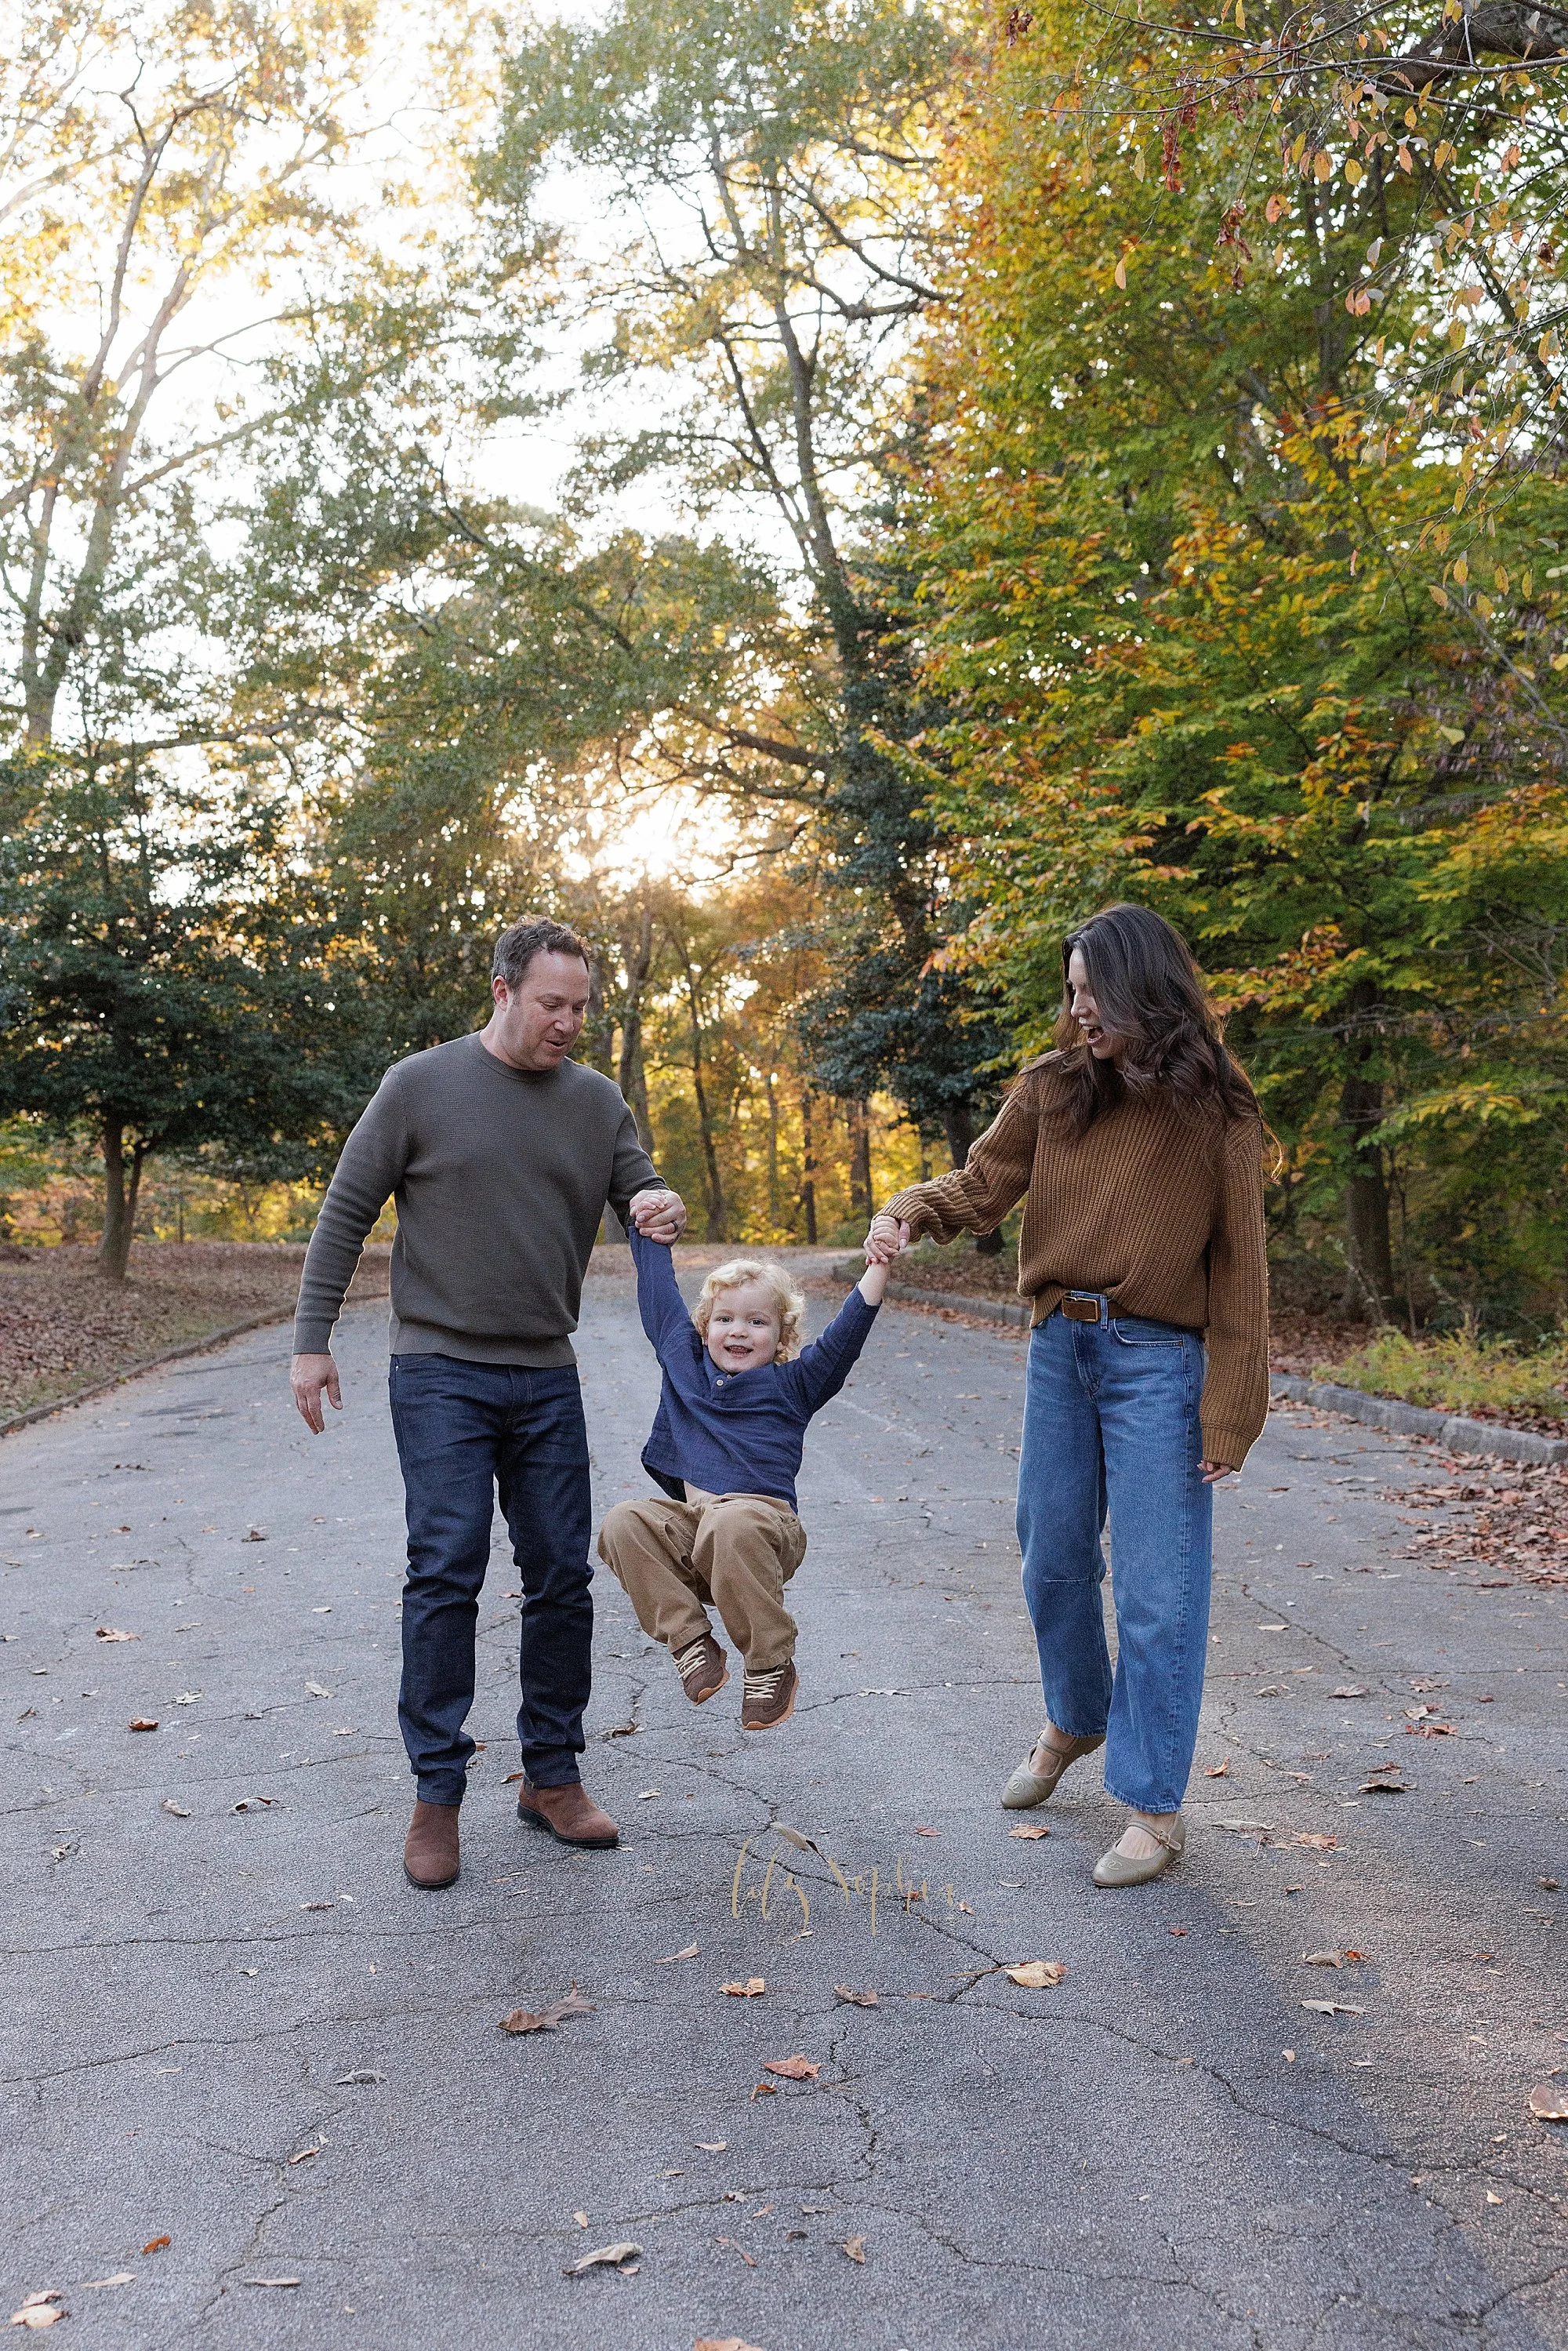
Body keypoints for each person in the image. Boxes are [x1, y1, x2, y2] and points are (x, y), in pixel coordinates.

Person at [866, 903, 1269, 1888]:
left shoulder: (1215, 1108)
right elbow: (979, 1185)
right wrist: (907, 1209)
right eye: (1070, 991)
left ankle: (1151, 1803)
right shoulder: (1051, 1089)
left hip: (1156, 1362)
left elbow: (1241, 1271)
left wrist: (1232, 1405)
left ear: (1143, 988)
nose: (1076, 1010)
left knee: (1155, 1591)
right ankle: (1076, 1717)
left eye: (1092, 992)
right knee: (1048, 1552)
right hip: (1060, 1348)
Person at [289, 916, 687, 1891]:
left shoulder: (596, 1101)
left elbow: (640, 1193)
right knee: (447, 1563)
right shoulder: (419, 1085)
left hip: (544, 1369)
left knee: (560, 1571)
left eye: (580, 1006)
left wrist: (658, 1206)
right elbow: (346, 1208)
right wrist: (310, 1343)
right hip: (438, 1366)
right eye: (552, 1003)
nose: (568, 1022)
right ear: (503, 991)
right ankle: (436, 1793)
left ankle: (551, 1775)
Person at [597, 1230, 897, 1730]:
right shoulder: (683, 1364)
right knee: (622, 1520)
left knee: (731, 1521)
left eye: (757, 1322)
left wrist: (879, 1265)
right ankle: (690, 1640)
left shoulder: (795, 1383)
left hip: (763, 1530)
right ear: (703, 1327)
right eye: (725, 1319)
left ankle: (769, 1663)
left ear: (782, 1336)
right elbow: (657, 1297)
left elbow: (847, 1336)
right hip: (695, 1531)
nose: (738, 1331)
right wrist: (647, 1229)